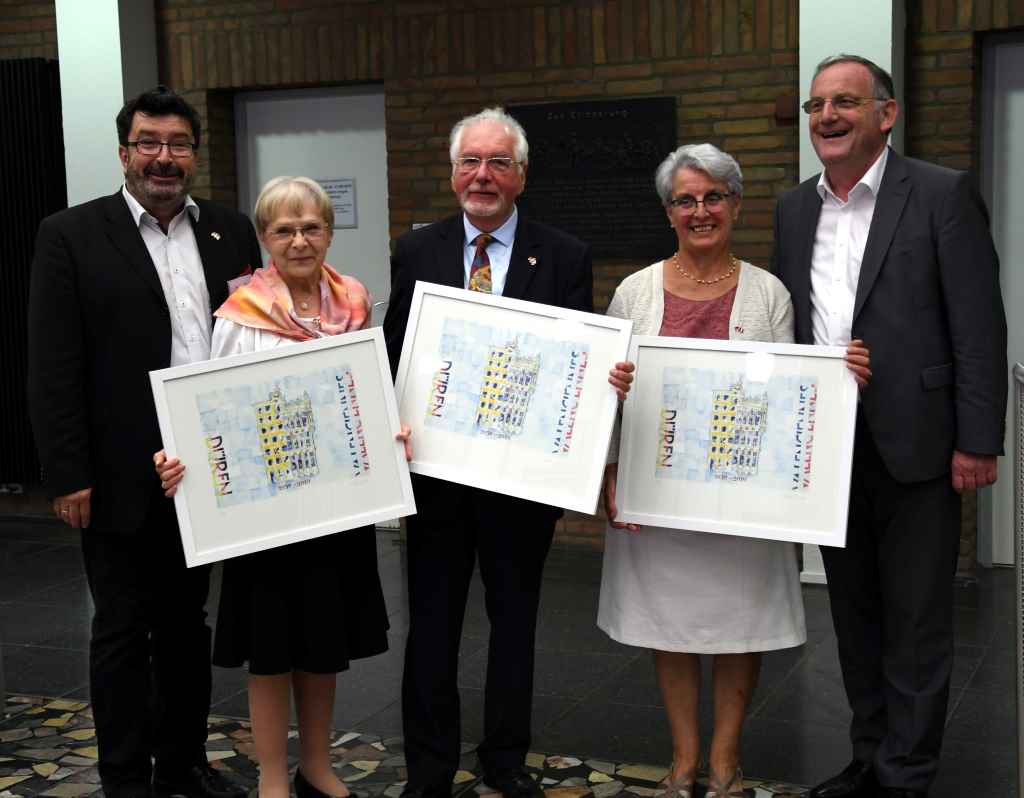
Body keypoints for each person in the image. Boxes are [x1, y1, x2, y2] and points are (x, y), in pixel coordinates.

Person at [598, 143, 870, 798]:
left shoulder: (769, 293)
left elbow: (788, 396)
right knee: (668, 623)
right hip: (654, 493)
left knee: (737, 622)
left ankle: (725, 761)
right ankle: (683, 760)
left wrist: (838, 374)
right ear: (669, 212)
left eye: (714, 197)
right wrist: (610, 462)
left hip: (744, 500)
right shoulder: (633, 292)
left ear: (736, 206)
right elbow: (600, 396)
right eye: (686, 200)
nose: (701, 211)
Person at [771, 54, 1007, 798]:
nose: (828, 117)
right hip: (830, 450)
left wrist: (979, 438)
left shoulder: (940, 194)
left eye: (845, 102)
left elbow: (978, 326)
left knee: (917, 623)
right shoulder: (792, 208)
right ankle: (868, 757)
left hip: (921, 445)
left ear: (886, 113)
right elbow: (793, 329)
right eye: (816, 106)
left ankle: (906, 774)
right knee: (856, 616)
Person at [382, 107, 633, 798]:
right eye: (470, 161)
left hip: (522, 488)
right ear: (452, 170)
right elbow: (396, 351)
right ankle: (428, 769)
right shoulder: (418, 250)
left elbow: (574, 368)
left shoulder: (563, 255)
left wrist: (603, 379)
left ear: (521, 174)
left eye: (498, 163)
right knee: (430, 628)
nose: (482, 176)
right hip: (433, 480)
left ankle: (505, 760)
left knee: (515, 624)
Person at [26, 86, 261, 798]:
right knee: (123, 632)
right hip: (119, 474)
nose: (165, 157)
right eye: (150, 143)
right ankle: (126, 777)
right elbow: (53, 363)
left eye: (179, 144)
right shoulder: (70, 234)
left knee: (188, 626)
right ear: (125, 153)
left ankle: (182, 762)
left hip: (205, 469)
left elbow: (256, 336)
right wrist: (68, 476)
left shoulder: (230, 230)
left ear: (195, 153)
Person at [156, 176, 411, 798]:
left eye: (312, 227)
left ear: (328, 231)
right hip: (264, 514)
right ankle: (273, 772)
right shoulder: (240, 313)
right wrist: (181, 451)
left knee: (322, 644)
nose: (299, 241)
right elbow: (211, 403)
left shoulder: (354, 301)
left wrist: (388, 427)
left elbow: (367, 392)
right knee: (270, 651)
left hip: (335, 507)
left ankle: (316, 764)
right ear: (265, 237)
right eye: (283, 230)